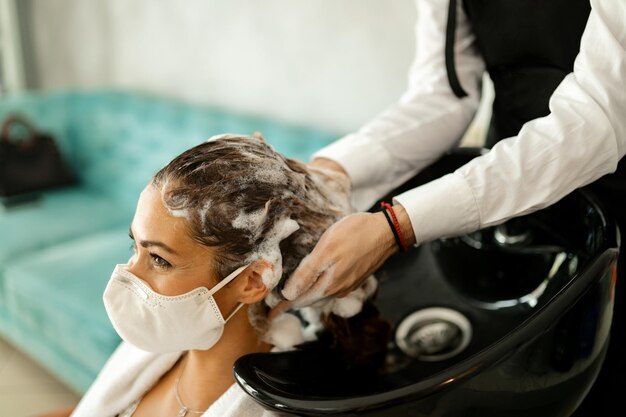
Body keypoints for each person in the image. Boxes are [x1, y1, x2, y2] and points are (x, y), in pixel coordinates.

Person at [278, 0, 626, 415]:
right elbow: (444, 93)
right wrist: (327, 176)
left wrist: (398, 226)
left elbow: (600, 119)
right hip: (513, 195)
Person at [40, 133, 390, 417]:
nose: (128, 276)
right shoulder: (152, 351)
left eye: (159, 259)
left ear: (253, 280)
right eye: (136, 248)